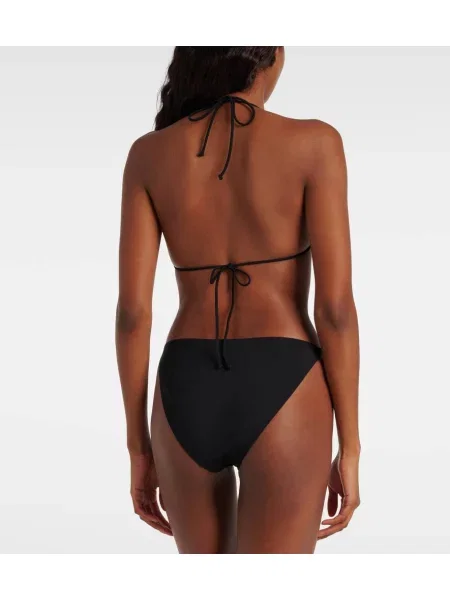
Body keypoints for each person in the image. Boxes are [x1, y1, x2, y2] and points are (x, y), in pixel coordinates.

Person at [115, 46, 360, 554]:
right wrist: (351, 447)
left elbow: (133, 315)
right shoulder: (315, 144)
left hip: (185, 385)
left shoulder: (149, 155)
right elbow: (335, 311)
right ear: (268, 54)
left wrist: (139, 448)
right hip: (284, 381)